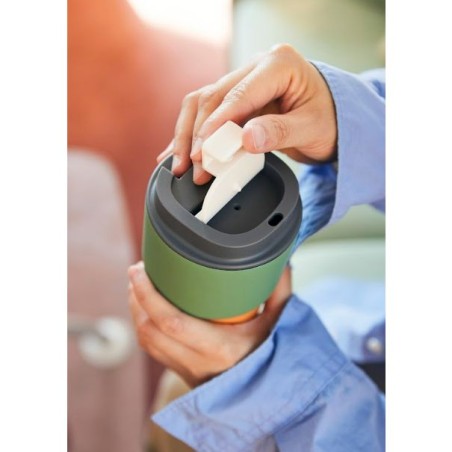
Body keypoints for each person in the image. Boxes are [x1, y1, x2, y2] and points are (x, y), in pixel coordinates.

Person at [128, 44, 385, 451]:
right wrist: (349, 118)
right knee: (179, 387)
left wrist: (266, 390)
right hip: (362, 326)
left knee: (183, 401)